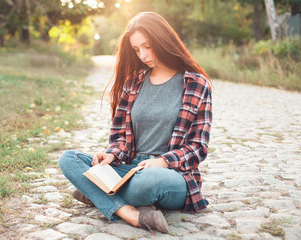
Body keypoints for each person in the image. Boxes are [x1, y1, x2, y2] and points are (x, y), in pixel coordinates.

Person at [58, 11, 212, 233]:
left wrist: (163, 162)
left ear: (163, 40)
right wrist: (112, 154)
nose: (143, 55)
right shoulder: (134, 83)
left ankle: (97, 191)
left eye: (147, 46)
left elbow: (198, 147)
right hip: (130, 168)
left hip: (171, 176)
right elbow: (121, 136)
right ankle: (129, 213)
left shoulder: (196, 84)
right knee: (68, 159)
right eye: (137, 49)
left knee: (145, 182)